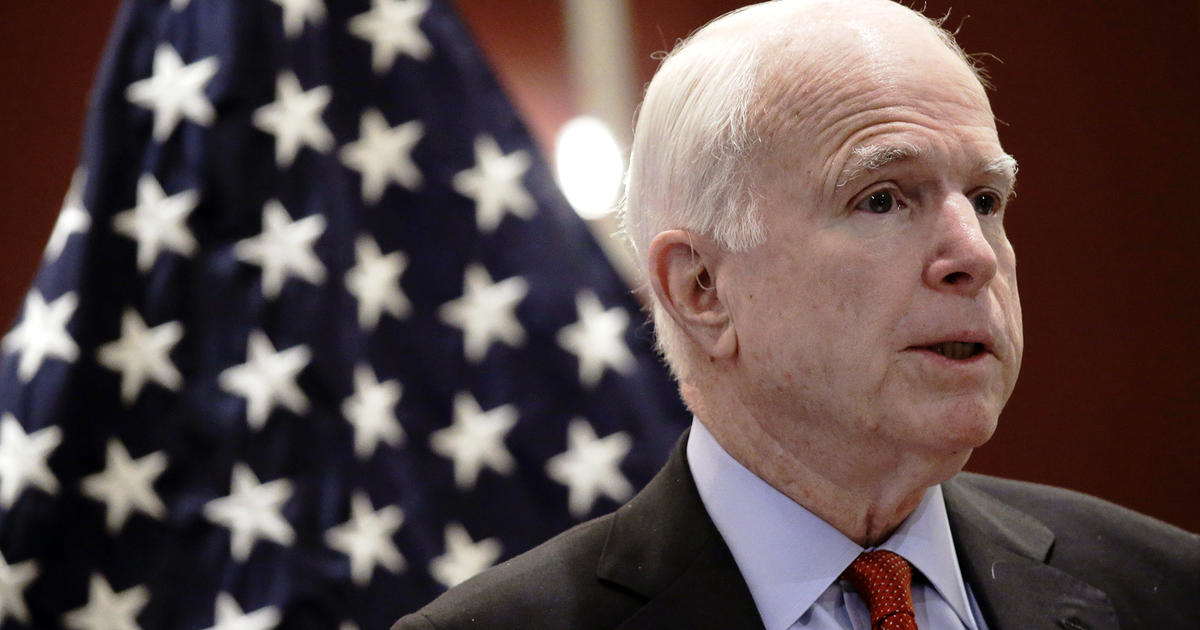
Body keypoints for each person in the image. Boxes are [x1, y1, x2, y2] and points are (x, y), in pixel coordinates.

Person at [393, 1, 1199, 628]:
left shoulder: (1166, 589)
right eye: (882, 199)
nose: (975, 255)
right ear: (701, 289)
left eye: (986, 199)